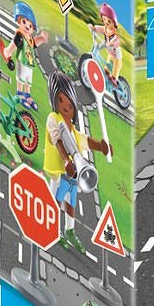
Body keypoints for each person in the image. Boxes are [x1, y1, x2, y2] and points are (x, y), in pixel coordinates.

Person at [45, 70, 111, 252]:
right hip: (59, 172)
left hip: (73, 175)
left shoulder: (72, 129)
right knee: (55, 200)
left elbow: (84, 140)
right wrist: (66, 161)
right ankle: (53, 227)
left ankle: (69, 231)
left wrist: (101, 146)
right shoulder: (53, 118)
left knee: (71, 202)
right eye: (61, 101)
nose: (66, 107)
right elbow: (57, 140)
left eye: (69, 103)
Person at [2, 1, 48, 110]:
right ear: (19, 20)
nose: (27, 26)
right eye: (24, 21)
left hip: (29, 63)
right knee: (21, 78)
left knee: (28, 80)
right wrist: (7, 52)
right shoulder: (20, 35)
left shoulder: (29, 38)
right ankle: (19, 93)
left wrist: (42, 38)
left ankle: (27, 95)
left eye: (30, 25)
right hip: (22, 62)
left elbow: (34, 44)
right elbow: (13, 45)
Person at [89, 3, 123, 81]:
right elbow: (99, 29)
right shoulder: (105, 29)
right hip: (110, 53)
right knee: (106, 70)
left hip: (116, 55)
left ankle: (115, 79)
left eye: (109, 21)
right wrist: (93, 28)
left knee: (115, 69)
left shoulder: (114, 33)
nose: (106, 23)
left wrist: (112, 43)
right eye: (104, 20)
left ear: (114, 23)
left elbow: (116, 40)